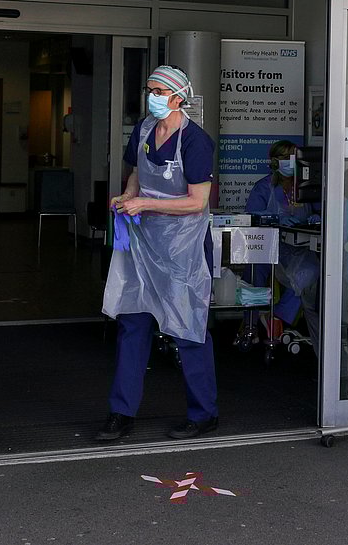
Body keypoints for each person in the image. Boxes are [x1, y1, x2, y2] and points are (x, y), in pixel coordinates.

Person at [96, 65, 218, 442]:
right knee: (132, 323)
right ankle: (121, 412)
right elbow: (136, 171)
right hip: (144, 241)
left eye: (158, 91)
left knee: (189, 328)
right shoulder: (145, 130)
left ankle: (203, 412)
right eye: (149, 89)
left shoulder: (195, 141)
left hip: (183, 246)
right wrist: (129, 195)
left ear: (178, 97)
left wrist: (145, 203)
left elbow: (198, 202)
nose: (151, 96)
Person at [244, 140, 321, 348]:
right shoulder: (264, 187)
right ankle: (249, 326)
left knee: (311, 274)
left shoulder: (304, 187)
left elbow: (318, 209)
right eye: (286, 158)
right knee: (254, 274)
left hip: (298, 250)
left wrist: (316, 217)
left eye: (294, 158)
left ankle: (277, 318)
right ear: (275, 162)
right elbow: (250, 215)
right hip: (269, 247)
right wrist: (274, 219)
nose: (291, 163)